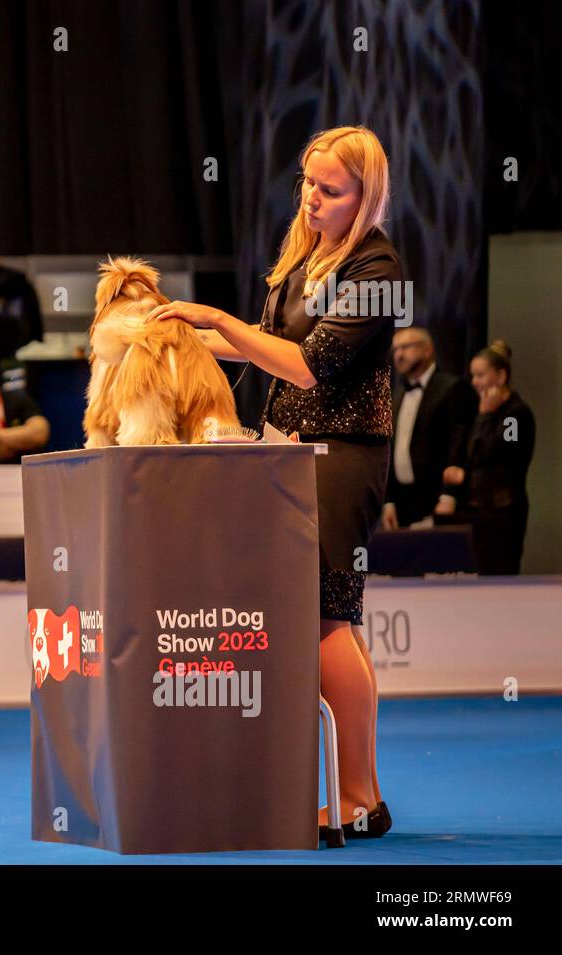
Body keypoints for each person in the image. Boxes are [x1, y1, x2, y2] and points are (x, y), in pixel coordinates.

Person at [152, 126, 400, 839]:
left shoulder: (375, 270)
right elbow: (253, 342)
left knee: (326, 618)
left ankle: (358, 797)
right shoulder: (308, 256)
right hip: (292, 453)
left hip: (343, 456)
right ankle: (362, 796)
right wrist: (168, 334)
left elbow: (306, 364)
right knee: (335, 621)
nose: (311, 198)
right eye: (307, 182)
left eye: (330, 190)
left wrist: (215, 316)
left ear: (365, 197)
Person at [441, 341, 535, 574]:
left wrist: (485, 417)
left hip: (503, 511)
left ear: (501, 376)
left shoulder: (515, 414)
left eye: (481, 375)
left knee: (499, 570)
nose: (475, 382)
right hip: (478, 509)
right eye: (473, 376)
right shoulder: (483, 411)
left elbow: (503, 453)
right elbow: (470, 451)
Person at [380, 327, 477, 529]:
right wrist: (388, 501)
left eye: (406, 347)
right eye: (396, 349)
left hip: (437, 500)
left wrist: (449, 495)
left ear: (427, 350)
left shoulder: (452, 388)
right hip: (403, 504)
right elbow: (388, 448)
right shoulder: (396, 394)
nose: (399, 355)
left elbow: (458, 446)